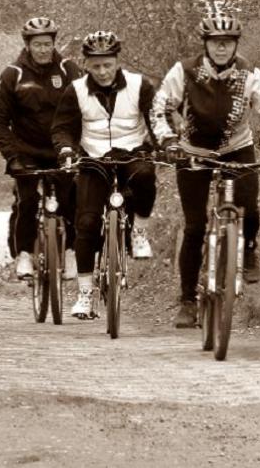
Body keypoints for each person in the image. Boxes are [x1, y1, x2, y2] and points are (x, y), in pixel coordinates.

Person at [150, 4, 260, 328]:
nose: (222, 48)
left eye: (228, 42)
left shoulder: (249, 74)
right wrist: (168, 142)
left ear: (235, 45)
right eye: (216, 42)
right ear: (205, 44)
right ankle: (187, 301)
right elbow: (159, 108)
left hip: (236, 149)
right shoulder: (185, 71)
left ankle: (248, 249)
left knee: (251, 209)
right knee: (194, 227)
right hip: (193, 153)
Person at [52, 30, 158, 319]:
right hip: (94, 158)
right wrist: (65, 149)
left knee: (145, 176)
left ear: (117, 61)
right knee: (86, 223)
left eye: (107, 65)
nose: (102, 71)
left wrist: (163, 144)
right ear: (86, 64)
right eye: (96, 65)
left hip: (132, 153)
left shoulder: (139, 85)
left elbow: (156, 119)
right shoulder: (75, 90)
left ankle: (139, 230)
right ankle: (85, 294)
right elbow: (62, 127)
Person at [0, 17, 83, 280]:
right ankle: (24, 254)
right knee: (27, 200)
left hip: (63, 150)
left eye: (47, 44)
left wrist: (78, 147)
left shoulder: (68, 70)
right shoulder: (13, 74)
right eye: (37, 45)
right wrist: (12, 156)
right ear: (28, 46)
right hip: (26, 152)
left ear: (54, 44)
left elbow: (84, 109)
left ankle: (71, 251)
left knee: (71, 199)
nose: (43, 50)